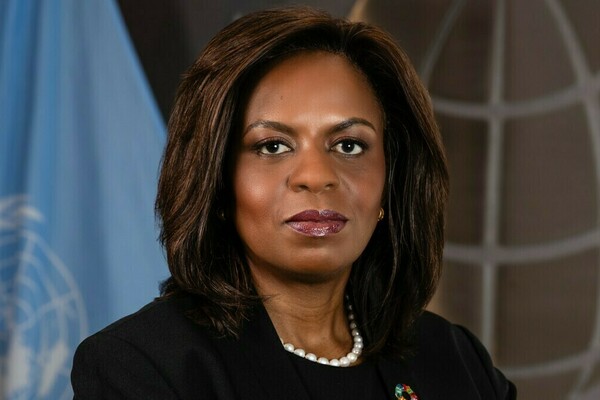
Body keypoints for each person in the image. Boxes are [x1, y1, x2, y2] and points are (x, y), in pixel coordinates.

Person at [71, 6, 516, 399]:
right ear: (217, 182)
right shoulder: (144, 368)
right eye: (272, 146)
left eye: (348, 146)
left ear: (391, 180)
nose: (316, 177)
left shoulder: (456, 363)